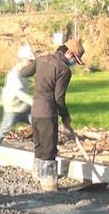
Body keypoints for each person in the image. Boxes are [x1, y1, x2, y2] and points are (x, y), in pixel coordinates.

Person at [20, 39, 86, 190]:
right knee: (49, 151)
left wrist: (28, 62)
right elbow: (59, 98)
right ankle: (49, 185)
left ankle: (37, 175)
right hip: (48, 113)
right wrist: (65, 116)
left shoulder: (41, 59)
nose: (74, 63)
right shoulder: (64, 70)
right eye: (74, 59)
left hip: (35, 113)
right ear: (69, 53)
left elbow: (24, 73)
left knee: (39, 146)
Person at [0, 43, 35, 145]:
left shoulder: (25, 72)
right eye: (30, 61)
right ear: (22, 59)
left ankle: (42, 147)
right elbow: (19, 93)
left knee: (38, 121)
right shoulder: (14, 74)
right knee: (5, 129)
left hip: (24, 107)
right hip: (13, 109)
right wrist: (33, 102)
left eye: (32, 61)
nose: (31, 63)